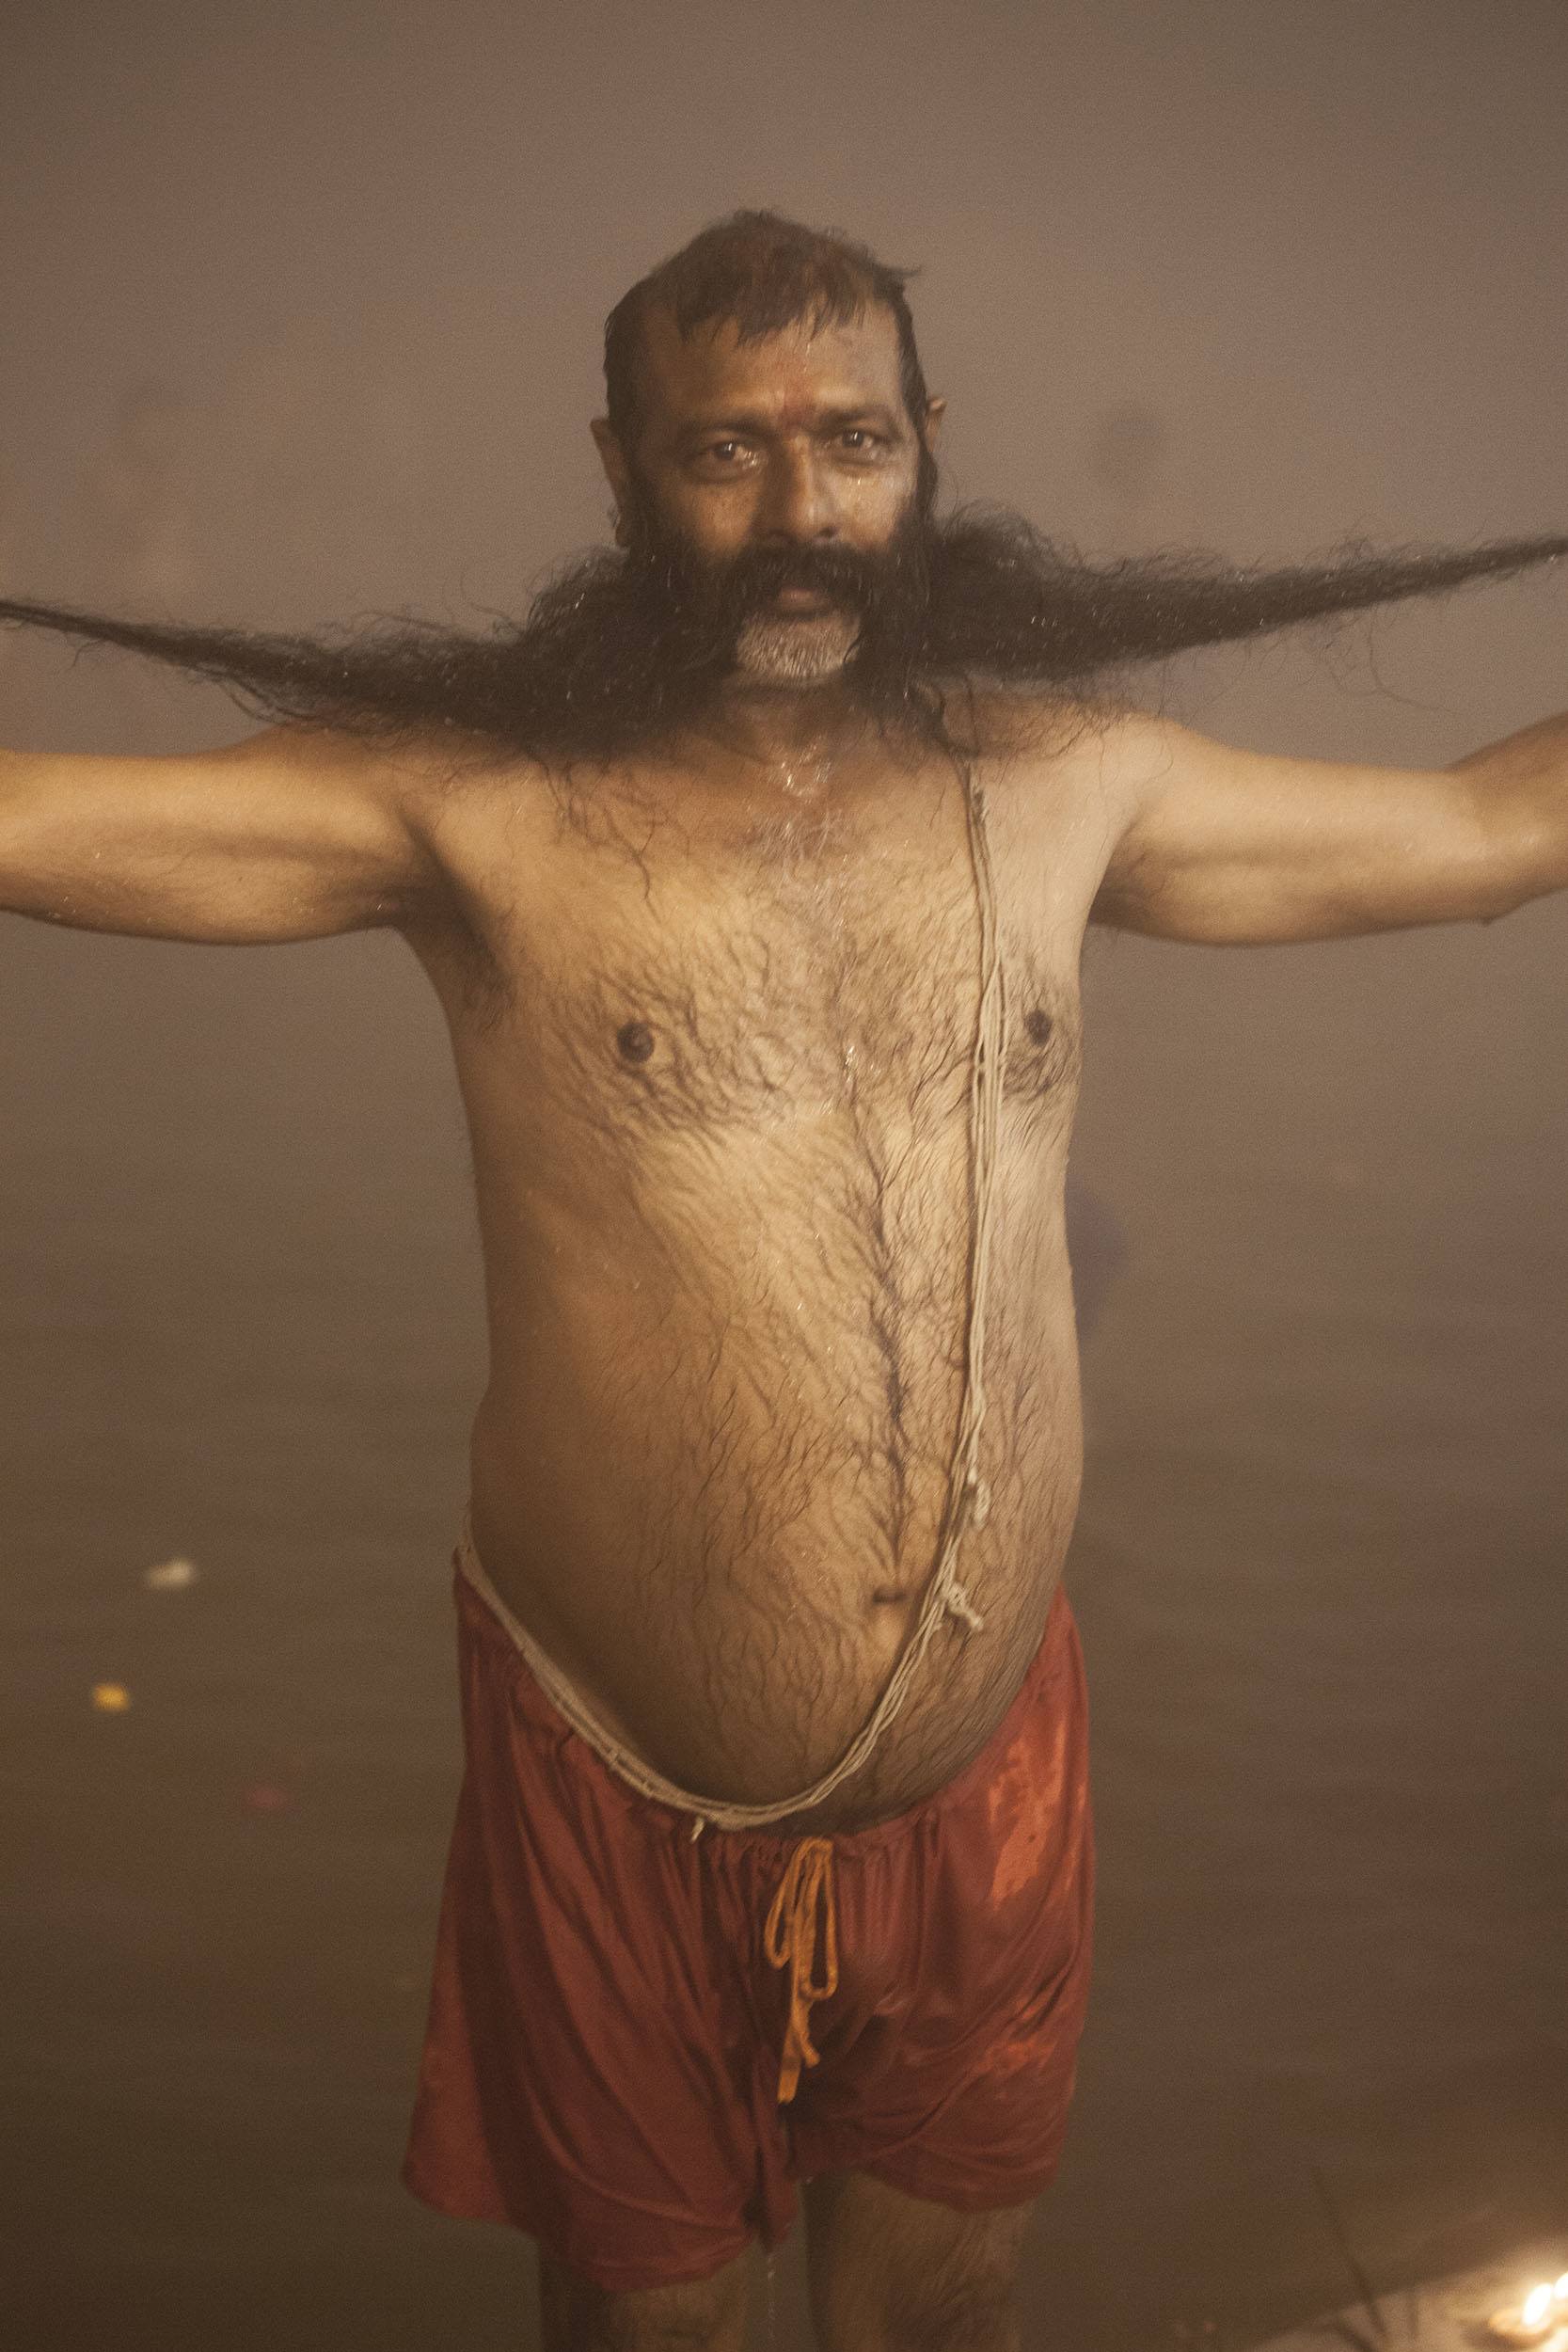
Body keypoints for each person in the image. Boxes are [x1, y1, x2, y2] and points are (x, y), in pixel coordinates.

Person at [2, 211, 1562, 2352]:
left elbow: (1489, 829)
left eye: (850, 438)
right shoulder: (474, 810)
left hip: (985, 1775)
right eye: (727, 452)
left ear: (931, 443)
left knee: (944, 2315)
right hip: (620, 1780)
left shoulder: (1068, 784)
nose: (803, 511)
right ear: (625, 470)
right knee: (661, 2338)